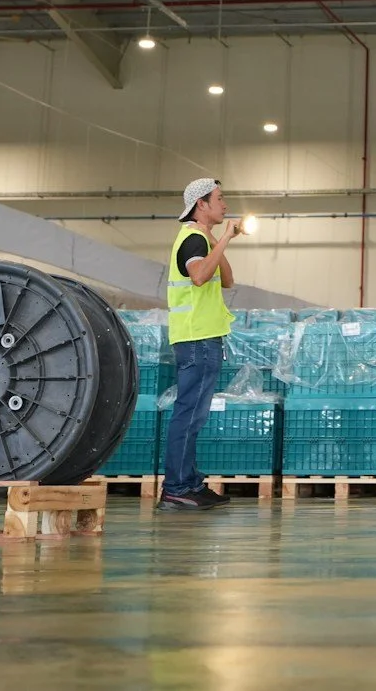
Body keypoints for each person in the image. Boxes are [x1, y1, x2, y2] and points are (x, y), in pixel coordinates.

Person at [161, 177, 240, 512]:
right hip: (196, 340)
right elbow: (199, 277)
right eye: (219, 199)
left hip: (204, 339)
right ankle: (177, 487)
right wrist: (220, 238)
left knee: (195, 415)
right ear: (201, 204)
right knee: (189, 413)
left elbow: (227, 280)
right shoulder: (192, 240)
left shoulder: (201, 239)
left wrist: (219, 241)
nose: (225, 205)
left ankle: (190, 483)